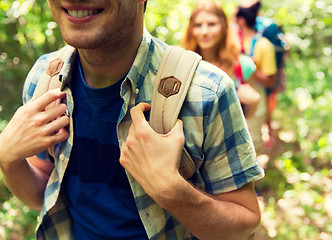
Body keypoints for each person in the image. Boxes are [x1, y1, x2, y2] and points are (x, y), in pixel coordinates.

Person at [0, 0, 264, 239]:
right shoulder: (44, 80)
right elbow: (43, 192)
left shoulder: (206, 93)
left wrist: (172, 192)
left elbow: (244, 225)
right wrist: (8, 159)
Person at [182, 0, 260, 119]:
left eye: (212, 24)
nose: (204, 32)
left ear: (224, 26)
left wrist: (254, 103)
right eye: (198, 25)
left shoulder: (243, 66)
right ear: (191, 29)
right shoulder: (183, 65)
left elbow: (244, 120)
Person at [236, 0, 277, 152]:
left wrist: (250, 68)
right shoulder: (231, 43)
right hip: (234, 102)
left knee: (251, 147)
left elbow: (271, 80)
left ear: (240, 20)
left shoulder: (263, 45)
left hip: (255, 104)